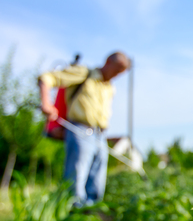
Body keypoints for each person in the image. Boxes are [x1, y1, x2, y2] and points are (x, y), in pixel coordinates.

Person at [39, 52, 130, 207]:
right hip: (79, 130)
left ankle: (87, 218)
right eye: (116, 70)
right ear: (108, 61)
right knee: (76, 179)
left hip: (100, 135)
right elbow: (47, 78)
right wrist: (46, 103)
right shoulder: (85, 74)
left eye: (120, 73)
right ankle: (73, 219)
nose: (116, 75)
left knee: (96, 182)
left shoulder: (109, 87)